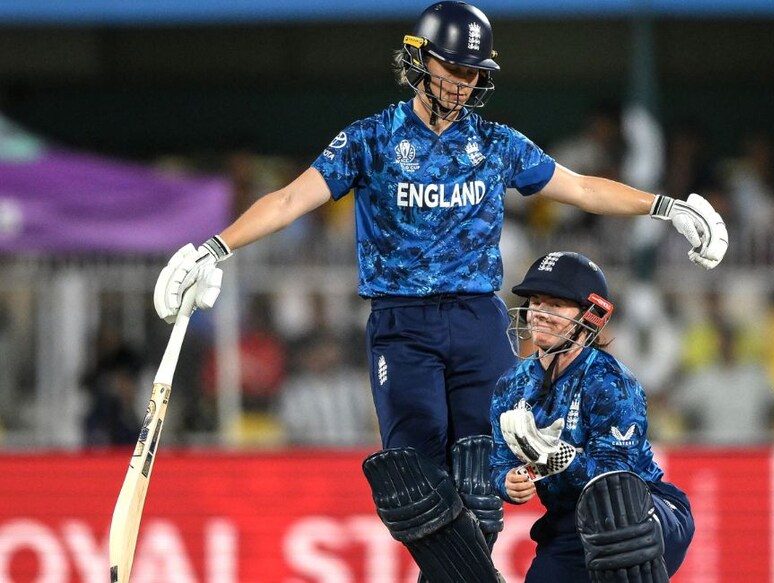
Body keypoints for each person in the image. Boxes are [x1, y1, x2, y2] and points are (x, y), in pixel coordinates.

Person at [149, 2, 725, 581]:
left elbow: (578, 188)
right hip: (403, 327)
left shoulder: (495, 143)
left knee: (482, 483)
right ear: (420, 59)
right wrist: (213, 247)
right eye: (451, 67)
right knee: (415, 486)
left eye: (473, 72)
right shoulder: (370, 140)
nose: (461, 82)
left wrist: (665, 207)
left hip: (479, 319)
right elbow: (288, 201)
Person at [491, 251, 694, 582]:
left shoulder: (610, 381)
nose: (539, 313)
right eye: (535, 301)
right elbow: (499, 462)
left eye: (555, 305)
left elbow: (616, 477)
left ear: (590, 316)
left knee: (615, 518)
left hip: (646, 511)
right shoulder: (510, 386)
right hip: (569, 523)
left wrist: (558, 459)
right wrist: (507, 481)